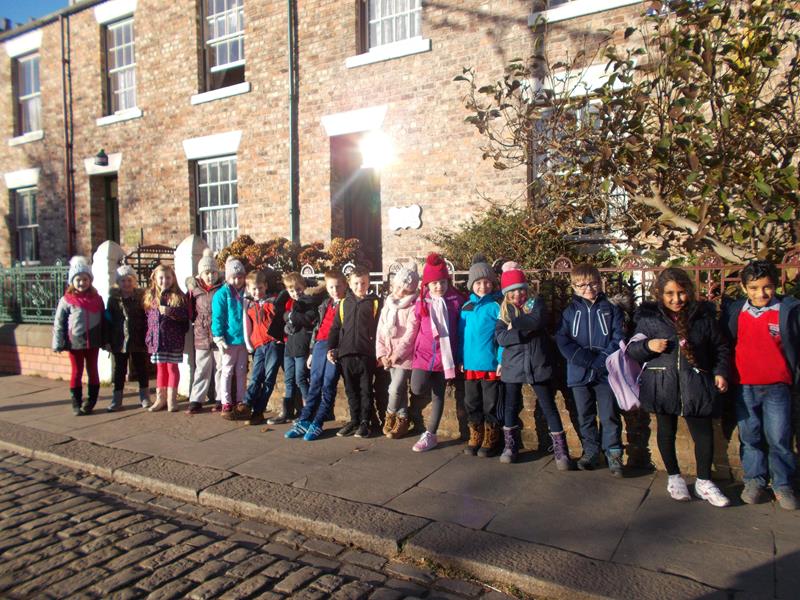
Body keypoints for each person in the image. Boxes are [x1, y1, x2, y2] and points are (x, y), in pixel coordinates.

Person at [628, 268, 731, 507]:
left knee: (703, 434)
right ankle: (674, 478)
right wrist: (648, 346)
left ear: (689, 291)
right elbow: (632, 350)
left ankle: (704, 481)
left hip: (696, 384)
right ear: (659, 293)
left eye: (681, 292)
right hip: (662, 385)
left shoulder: (703, 317)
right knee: (666, 431)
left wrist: (720, 372)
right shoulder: (649, 319)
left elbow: (720, 348)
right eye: (670, 294)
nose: (676, 299)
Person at [721, 260, 798, 510]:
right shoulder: (736, 312)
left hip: (778, 387)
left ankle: (783, 484)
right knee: (750, 437)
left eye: (767, 287)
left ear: (775, 286)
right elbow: (727, 344)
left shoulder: (787, 311)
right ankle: (754, 481)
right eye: (754, 288)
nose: (761, 293)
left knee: (779, 438)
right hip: (744, 387)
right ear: (744, 288)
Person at [495, 261, 572, 467]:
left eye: (520, 290)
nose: (517, 295)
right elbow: (501, 338)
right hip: (513, 365)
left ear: (526, 289)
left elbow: (538, 321)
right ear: (506, 295)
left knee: (549, 405)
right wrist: (524, 331)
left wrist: (515, 325)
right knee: (511, 406)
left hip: (538, 363)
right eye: (512, 292)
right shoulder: (504, 311)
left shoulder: (536, 303)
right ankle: (510, 445)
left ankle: (561, 449)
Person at [555, 263, 626, 476]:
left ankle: (614, 454)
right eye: (582, 285)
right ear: (574, 287)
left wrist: (603, 359)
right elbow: (563, 340)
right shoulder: (569, 312)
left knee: (609, 414)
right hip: (579, 371)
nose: (588, 289)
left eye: (593, 283)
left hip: (606, 372)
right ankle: (591, 452)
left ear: (600, 283)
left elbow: (618, 337)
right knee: (585, 415)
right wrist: (586, 359)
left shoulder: (611, 309)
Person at [409, 253, 464, 452]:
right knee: (417, 387)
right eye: (434, 283)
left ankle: (430, 434)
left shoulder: (456, 302)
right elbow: (414, 326)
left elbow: (461, 329)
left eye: (442, 282)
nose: (439, 286)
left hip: (444, 357)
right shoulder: (422, 302)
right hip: (423, 355)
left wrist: (458, 357)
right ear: (427, 285)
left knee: (438, 395)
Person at [285, 270, 348, 440]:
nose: (335, 290)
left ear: (345, 285)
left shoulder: (348, 303)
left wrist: (338, 350)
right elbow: (317, 328)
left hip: (334, 347)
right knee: (314, 383)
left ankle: (318, 422)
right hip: (320, 345)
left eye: (338, 286)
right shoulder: (326, 303)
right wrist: (312, 352)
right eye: (331, 287)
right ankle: (305, 420)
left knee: (328, 384)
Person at [327, 266, 381, 438]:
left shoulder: (375, 303)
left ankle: (365, 422)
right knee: (351, 391)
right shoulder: (344, 303)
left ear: (369, 283)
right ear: (349, 284)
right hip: (346, 355)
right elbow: (335, 328)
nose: (360, 286)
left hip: (366, 354)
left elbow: (381, 330)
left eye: (363, 283)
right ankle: (354, 420)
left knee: (366, 390)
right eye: (356, 283)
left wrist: (380, 352)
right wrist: (331, 348)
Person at [459, 255, 503, 457]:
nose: (483, 286)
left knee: (490, 403)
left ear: (493, 284)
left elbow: (502, 336)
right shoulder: (466, 307)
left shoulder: (497, 306)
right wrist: (460, 358)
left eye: (487, 282)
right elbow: (461, 336)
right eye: (478, 283)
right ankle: (475, 433)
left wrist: (501, 359)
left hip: (490, 364)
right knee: (471, 402)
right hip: (470, 364)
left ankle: (491, 435)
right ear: (472, 285)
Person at [52, 256, 105, 416]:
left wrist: (106, 339)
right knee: (77, 371)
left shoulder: (97, 299)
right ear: (72, 281)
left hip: (93, 341)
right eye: (78, 280)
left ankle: (91, 401)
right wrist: (58, 342)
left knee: (93, 371)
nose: (82, 283)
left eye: (85, 279)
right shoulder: (66, 300)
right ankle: (76, 402)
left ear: (90, 280)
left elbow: (104, 320)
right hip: (74, 342)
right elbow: (59, 322)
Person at [375, 263, 420, 440]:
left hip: (404, 356)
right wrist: (381, 354)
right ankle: (402, 420)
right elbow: (380, 331)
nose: (400, 292)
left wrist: (397, 355)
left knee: (394, 389)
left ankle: (390, 414)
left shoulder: (413, 307)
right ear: (393, 284)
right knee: (399, 390)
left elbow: (410, 334)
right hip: (388, 354)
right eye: (398, 287)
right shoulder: (388, 304)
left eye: (406, 290)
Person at [144, 263, 190, 412]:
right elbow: (148, 319)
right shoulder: (151, 296)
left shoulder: (179, 296)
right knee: (160, 369)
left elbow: (185, 316)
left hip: (173, 340)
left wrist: (171, 312)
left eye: (168, 277)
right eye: (161, 278)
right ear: (155, 279)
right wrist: (149, 337)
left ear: (173, 278)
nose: (165, 281)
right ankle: (160, 399)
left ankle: (171, 399)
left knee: (172, 368)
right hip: (157, 340)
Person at [280, 272, 324, 424]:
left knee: (301, 378)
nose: (295, 293)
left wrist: (290, 316)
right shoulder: (291, 302)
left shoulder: (309, 300)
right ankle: (288, 411)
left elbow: (307, 318)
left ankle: (308, 410)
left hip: (302, 345)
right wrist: (288, 317)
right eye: (291, 290)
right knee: (289, 379)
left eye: (298, 289)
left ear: (304, 287)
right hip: (290, 345)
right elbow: (284, 316)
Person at [105, 264, 150, 411]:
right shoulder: (113, 300)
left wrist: (148, 336)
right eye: (123, 280)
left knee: (141, 368)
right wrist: (107, 340)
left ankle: (145, 397)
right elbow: (108, 321)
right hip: (119, 340)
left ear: (135, 281)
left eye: (129, 280)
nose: (126, 283)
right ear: (118, 282)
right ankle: (117, 400)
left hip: (138, 338)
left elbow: (146, 318)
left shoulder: (141, 298)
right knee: (120, 370)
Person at [185, 248, 223, 414]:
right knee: (202, 368)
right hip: (201, 333)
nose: (210, 276)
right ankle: (196, 399)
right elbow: (190, 309)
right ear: (200, 274)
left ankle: (221, 398)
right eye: (207, 273)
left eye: (213, 272)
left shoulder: (221, 288)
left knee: (220, 367)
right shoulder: (195, 290)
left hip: (218, 333)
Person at [211, 257, 249, 420]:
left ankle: (240, 400)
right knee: (227, 371)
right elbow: (217, 317)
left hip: (244, 339)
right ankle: (226, 401)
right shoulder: (222, 294)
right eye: (234, 277)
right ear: (227, 277)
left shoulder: (247, 292)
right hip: (228, 340)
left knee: (241, 371)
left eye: (240, 277)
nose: (237, 280)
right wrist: (218, 335)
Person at [242, 269, 281, 425]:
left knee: (269, 380)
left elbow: (280, 320)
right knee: (255, 377)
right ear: (248, 289)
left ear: (265, 286)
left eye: (260, 288)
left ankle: (258, 412)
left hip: (272, 344)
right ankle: (246, 405)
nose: (257, 292)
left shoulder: (272, 302)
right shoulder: (249, 305)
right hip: (258, 346)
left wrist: (280, 338)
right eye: (254, 289)